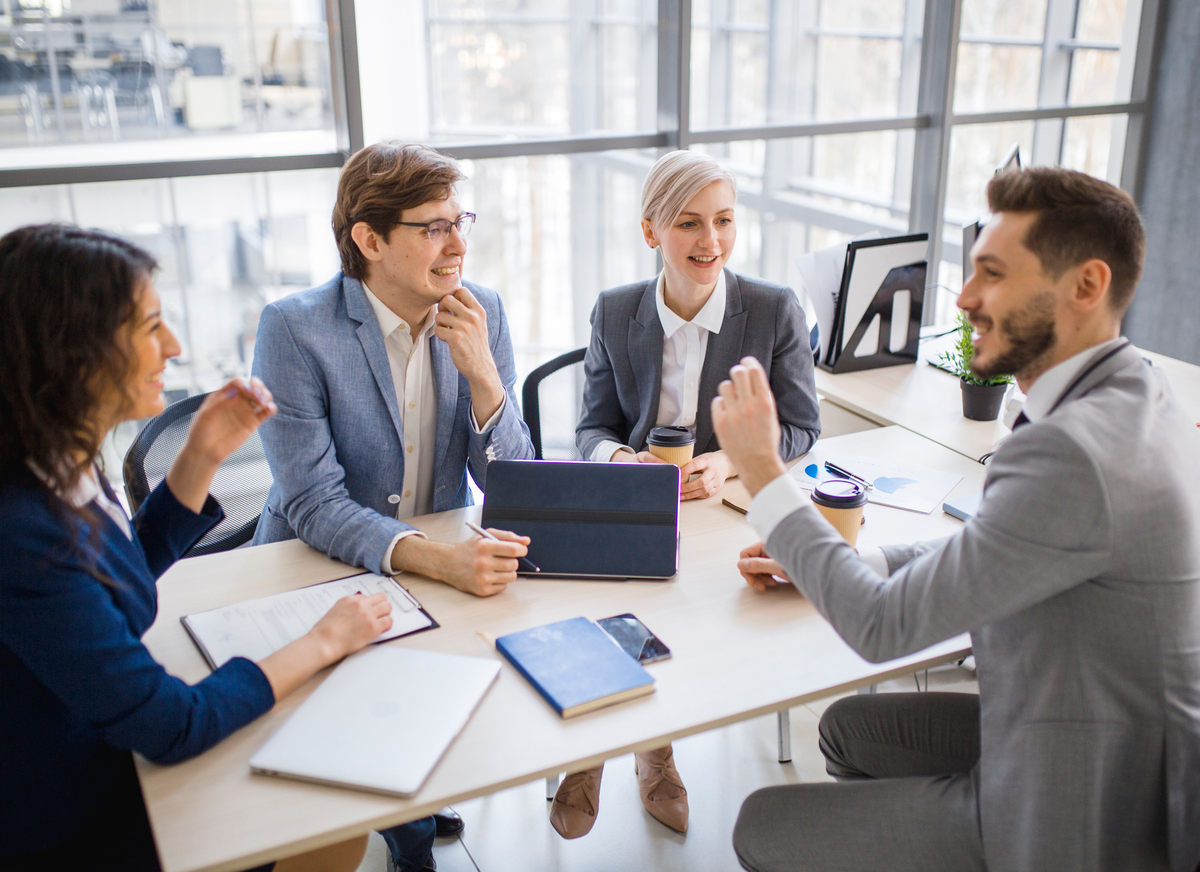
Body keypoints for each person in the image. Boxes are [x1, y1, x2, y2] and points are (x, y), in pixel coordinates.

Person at [710, 168, 1200, 872]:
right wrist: (853, 559)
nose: (965, 298)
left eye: (992, 275)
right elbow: (986, 549)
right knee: (851, 731)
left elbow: (881, 628)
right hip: (1084, 728)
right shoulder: (1133, 389)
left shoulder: (1074, 451)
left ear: (1086, 287)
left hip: (1079, 809)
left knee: (762, 823)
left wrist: (761, 471)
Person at [0, 225, 436, 872]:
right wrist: (323, 641)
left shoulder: (59, 455)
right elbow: (172, 726)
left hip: (103, 741)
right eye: (149, 328)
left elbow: (113, 587)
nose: (172, 347)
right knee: (326, 815)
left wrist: (201, 456)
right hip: (69, 813)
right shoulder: (21, 532)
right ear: (72, 351)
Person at [554, 151, 822, 840]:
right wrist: (621, 459)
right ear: (652, 232)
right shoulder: (616, 312)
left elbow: (801, 428)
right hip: (638, 498)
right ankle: (588, 755)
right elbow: (591, 426)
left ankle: (655, 750)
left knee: (685, 613)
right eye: (689, 223)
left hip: (721, 506)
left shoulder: (772, 310)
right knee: (602, 597)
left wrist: (727, 462)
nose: (711, 242)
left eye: (725, 221)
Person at [252, 143, 535, 611]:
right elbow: (315, 504)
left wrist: (485, 378)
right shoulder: (294, 330)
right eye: (434, 229)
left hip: (442, 571)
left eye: (460, 223)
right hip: (317, 572)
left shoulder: (483, 312)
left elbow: (518, 488)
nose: (459, 246)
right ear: (371, 242)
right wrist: (441, 560)